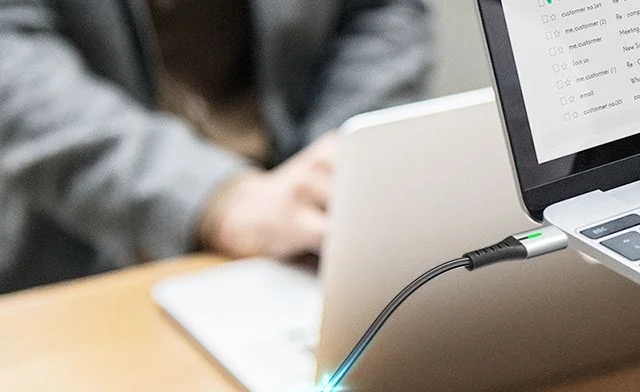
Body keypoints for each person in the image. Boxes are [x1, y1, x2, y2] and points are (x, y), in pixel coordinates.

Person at [0, 0, 433, 293]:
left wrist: (340, 162)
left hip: (308, 246)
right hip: (83, 258)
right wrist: (216, 199)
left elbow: (381, 11)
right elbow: (12, 61)